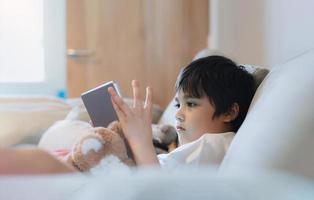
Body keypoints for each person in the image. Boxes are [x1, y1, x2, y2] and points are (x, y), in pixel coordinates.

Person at [108, 55, 255, 168]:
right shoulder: (204, 147)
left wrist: (140, 141)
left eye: (191, 104)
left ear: (229, 112)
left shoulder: (212, 145)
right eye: (178, 105)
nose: (178, 114)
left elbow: (158, 190)